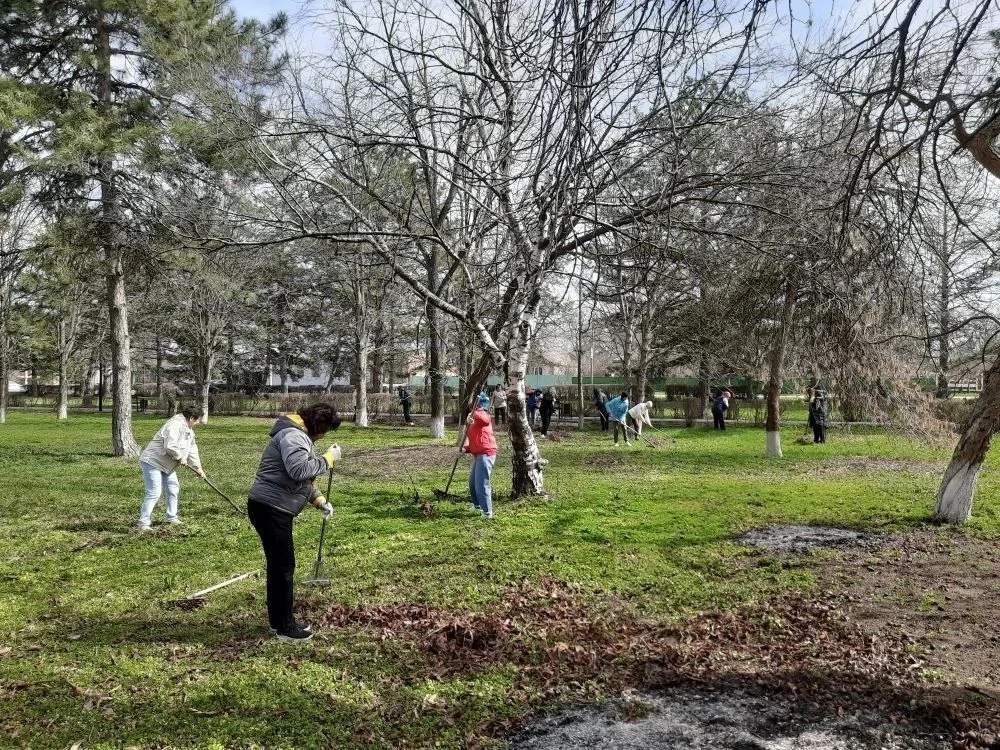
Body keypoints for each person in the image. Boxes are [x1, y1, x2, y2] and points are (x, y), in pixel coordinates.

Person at [247, 402, 343, 643]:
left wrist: (319, 500)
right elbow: (299, 470)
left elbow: (301, 481)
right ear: (318, 425)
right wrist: (327, 459)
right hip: (271, 508)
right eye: (325, 430)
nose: (323, 436)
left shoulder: (296, 435)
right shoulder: (293, 435)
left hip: (272, 507)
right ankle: (284, 627)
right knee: (283, 567)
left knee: (279, 566)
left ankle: (277, 621)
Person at [137, 407, 205, 531]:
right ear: (191, 418)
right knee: (154, 492)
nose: (198, 423)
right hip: (153, 462)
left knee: (173, 489)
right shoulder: (174, 425)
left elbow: (192, 450)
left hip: (167, 465)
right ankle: (143, 522)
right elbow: (170, 445)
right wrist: (180, 457)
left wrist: (198, 468)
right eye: (198, 420)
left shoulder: (189, 430)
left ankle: (171, 517)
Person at [463, 392, 498, 519]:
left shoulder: (483, 414)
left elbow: (485, 419)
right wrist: (465, 449)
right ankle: (477, 506)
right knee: (473, 483)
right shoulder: (472, 420)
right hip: (478, 454)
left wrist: (474, 414)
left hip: (486, 453)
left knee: (481, 483)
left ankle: (487, 512)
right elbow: (475, 440)